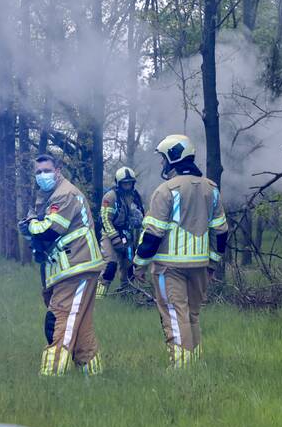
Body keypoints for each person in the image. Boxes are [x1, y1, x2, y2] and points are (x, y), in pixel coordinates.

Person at [134, 135, 229, 368]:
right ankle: (195, 364)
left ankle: (182, 369)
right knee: (192, 315)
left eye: (163, 158)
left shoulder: (166, 191)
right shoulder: (211, 189)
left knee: (175, 317)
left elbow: (153, 234)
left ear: (172, 158)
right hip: (200, 266)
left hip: (169, 268)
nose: (162, 164)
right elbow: (222, 231)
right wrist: (213, 264)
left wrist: (139, 264)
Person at [19, 154, 104, 376]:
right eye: (38, 172)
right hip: (71, 267)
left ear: (58, 170)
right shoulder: (48, 196)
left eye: (46, 170)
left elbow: (49, 230)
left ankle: (51, 375)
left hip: (76, 266)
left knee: (60, 319)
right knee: (81, 324)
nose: (42, 175)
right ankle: (93, 375)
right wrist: (33, 226)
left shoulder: (65, 194)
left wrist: (30, 225)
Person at [97, 166, 145, 298]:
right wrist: (115, 238)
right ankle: (99, 297)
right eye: (125, 183)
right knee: (110, 265)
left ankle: (128, 295)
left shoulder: (135, 196)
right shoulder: (110, 197)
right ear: (119, 183)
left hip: (127, 235)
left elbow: (141, 215)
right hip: (110, 234)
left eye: (130, 182)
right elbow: (106, 220)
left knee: (129, 268)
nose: (127, 185)